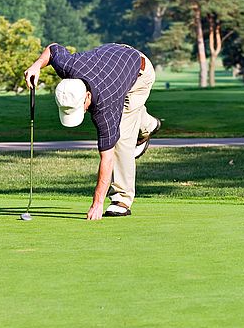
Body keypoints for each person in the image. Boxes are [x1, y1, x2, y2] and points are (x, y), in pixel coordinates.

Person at [24, 43, 161, 221]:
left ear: (88, 96)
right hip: (116, 63)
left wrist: (97, 203)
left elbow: (107, 157)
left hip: (139, 73)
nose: (82, 112)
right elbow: (53, 49)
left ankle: (122, 200)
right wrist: (36, 65)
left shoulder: (105, 105)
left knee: (121, 138)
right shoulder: (67, 66)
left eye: (81, 108)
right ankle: (149, 125)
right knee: (128, 115)